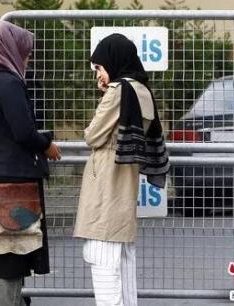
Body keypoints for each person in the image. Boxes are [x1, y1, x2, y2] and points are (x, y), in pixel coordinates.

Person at [73, 34, 169, 306]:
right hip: (124, 178)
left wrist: (108, 94)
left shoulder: (118, 92)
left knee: (102, 256)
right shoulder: (142, 90)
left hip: (107, 177)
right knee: (122, 260)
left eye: (100, 69)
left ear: (113, 62)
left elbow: (92, 135)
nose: (99, 76)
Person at [0, 20, 60, 306]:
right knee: (13, 257)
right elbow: (23, 132)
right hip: (16, 184)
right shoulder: (10, 83)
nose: (27, 57)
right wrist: (47, 143)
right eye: (24, 51)